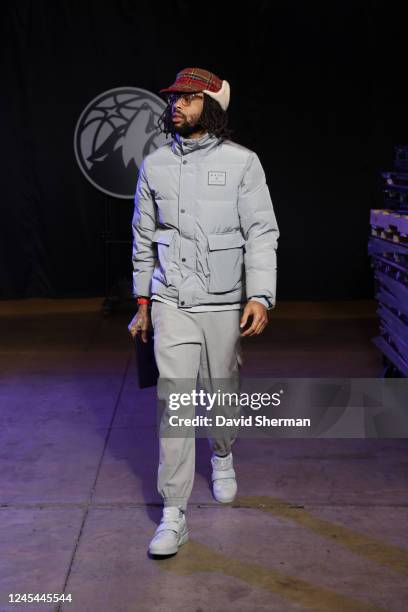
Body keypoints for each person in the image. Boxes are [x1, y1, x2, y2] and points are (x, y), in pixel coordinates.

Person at [128, 67, 280, 556]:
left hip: (223, 302)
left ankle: (222, 453)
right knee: (173, 404)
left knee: (222, 394)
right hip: (173, 300)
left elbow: (262, 231)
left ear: (212, 107)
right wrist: (142, 303)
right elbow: (142, 238)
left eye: (189, 99)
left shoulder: (243, 163)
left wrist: (260, 294)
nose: (177, 105)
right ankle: (174, 513)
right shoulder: (154, 165)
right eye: (174, 98)